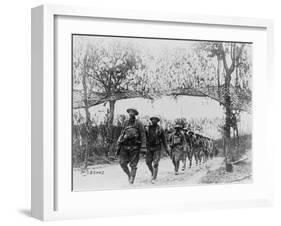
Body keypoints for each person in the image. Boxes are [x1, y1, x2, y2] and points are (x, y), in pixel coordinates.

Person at [117, 108, 147, 184]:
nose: (131, 114)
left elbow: (143, 134)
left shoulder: (139, 123)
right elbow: (122, 132)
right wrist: (119, 141)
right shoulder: (125, 122)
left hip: (135, 147)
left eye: (132, 112)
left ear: (135, 114)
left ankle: (131, 180)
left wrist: (143, 146)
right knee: (122, 163)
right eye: (130, 112)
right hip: (124, 146)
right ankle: (129, 175)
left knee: (133, 165)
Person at [145, 116, 170, 184]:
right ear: (151, 120)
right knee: (148, 162)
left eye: (155, 119)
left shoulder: (160, 129)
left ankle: (154, 178)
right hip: (149, 147)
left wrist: (166, 148)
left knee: (155, 163)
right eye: (153, 119)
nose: (154, 120)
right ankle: (153, 172)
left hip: (157, 148)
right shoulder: (147, 128)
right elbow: (143, 137)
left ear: (157, 121)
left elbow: (164, 140)